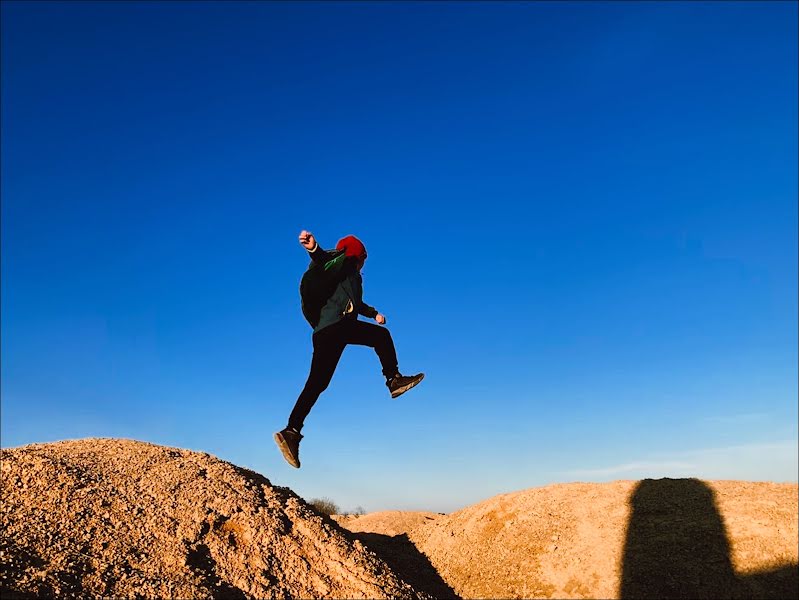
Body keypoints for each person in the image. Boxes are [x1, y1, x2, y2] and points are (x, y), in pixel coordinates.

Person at [274, 230, 425, 468]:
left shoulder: (351, 277)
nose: (364, 262)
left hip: (327, 333)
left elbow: (357, 304)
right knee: (381, 337)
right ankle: (393, 380)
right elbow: (323, 260)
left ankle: (291, 431)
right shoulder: (342, 263)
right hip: (336, 327)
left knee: (317, 383)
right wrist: (313, 249)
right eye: (363, 257)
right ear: (358, 254)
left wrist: (373, 313)